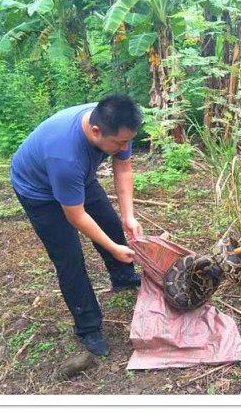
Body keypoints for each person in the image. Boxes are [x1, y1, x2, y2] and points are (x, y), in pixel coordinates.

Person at [10, 94, 144, 356]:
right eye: (120, 143)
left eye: (128, 141)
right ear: (96, 132)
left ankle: (123, 276)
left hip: (79, 178)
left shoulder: (115, 126)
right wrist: (114, 248)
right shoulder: (66, 157)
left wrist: (129, 216)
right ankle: (88, 326)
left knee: (110, 224)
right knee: (69, 257)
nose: (124, 147)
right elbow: (76, 216)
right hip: (38, 191)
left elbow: (124, 167)